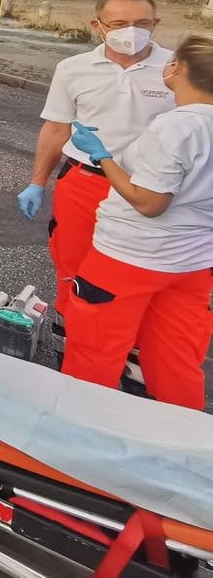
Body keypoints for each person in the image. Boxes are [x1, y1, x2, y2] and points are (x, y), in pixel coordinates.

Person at [60, 33, 213, 408]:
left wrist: (103, 158)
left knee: (95, 353)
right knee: (177, 358)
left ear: (177, 68)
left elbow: (149, 202)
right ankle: (178, 441)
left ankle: (80, 435)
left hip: (128, 258)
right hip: (192, 264)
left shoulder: (177, 127)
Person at [18, 0, 174, 320]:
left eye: (142, 24)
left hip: (150, 189)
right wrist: (37, 183)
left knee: (141, 271)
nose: (132, 32)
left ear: (155, 24)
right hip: (86, 183)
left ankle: (130, 349)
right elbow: (56, 128)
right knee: (74, 264)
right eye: (119, 24)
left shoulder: (175, 69)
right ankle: (71, 333)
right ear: (98, 26)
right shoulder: (74, 69)